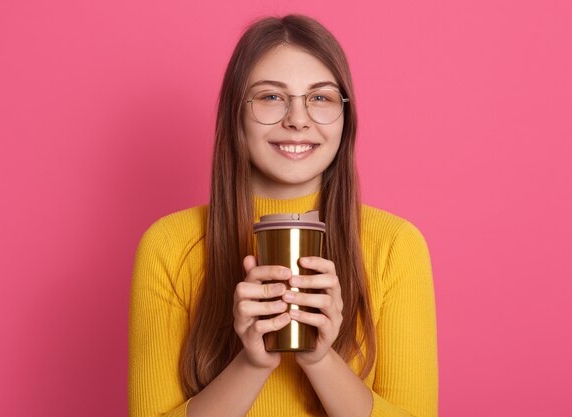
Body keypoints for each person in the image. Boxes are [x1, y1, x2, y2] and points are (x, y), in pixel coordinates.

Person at [128, 15, 438, 417]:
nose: (297, 118)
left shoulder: (395, 245)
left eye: (321, 97)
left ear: (346, 117)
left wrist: (319, 359)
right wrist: (253, 362)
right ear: (235, 114)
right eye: (272, 97)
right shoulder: (170, 245)